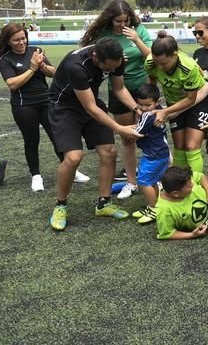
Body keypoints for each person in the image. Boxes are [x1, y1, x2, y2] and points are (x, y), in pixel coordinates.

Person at [47, 38, 143, 231]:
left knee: (109, 151)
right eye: (107, 68)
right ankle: (60, 205)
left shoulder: (116, 59)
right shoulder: (76, 66)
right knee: (73, 157)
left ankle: (104, 203)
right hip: (65, 108)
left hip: (91, 103)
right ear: (95, 57)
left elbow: (119, 88)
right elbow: (90, 108)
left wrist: (137, 108)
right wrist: (119, 128)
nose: (111, 70)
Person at [0, 23, 89, 191]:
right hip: (24, 106)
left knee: (57, 137)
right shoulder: (6, 59)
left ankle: (71, 171)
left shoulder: (36, 51)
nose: (21, 42)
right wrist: (32, 68)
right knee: (31, 140)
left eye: (23, 38)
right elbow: (12, 84)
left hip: (46, 101)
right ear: (8, 41)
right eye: (16, 40)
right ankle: (36, 176)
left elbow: (55, 73)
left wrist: (43, 66)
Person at [81, 0, 152, 193]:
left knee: (150, 133)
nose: (123, 25)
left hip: (143, 89)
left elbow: (151, 57)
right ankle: (132, 182)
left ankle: (155, 177)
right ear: (110, 19)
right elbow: (91, 56)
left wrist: (136, 39)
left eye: (125, 20)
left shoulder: (139, 30)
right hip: (118, 91)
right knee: (127, 138)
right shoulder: (103, 35)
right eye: (118, 21)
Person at [145, 32, 207, 179]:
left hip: (196, 102)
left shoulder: (188, 67)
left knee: (191, 146)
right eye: (157, 62)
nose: (160, 67)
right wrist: (151, 103)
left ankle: (196, 185)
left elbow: (191, 99)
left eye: (164, 63)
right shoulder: (151, 62)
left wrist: (166, 111)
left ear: (175, 54)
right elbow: (152, 81)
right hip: (172, 103)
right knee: (179, 147)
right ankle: (178, 183)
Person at [128, 84, 171, 224]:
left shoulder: (148, 115)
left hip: (154, 155)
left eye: (148, 105)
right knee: (152, 181)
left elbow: (137, 132)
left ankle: (153, 209)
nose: (144, 108)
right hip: (161, 153)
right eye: (140, 105)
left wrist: (122, 130)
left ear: (156, 102)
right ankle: (154, 206)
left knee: (144, 181)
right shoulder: (160, 111)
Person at [155, 166, 208, 240]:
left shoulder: (183, 179)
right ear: (176, 194)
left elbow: (201, 177)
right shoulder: (163, 210)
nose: (192, 185)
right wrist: (192, 235)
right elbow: (168, 234)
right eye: (189, 186)